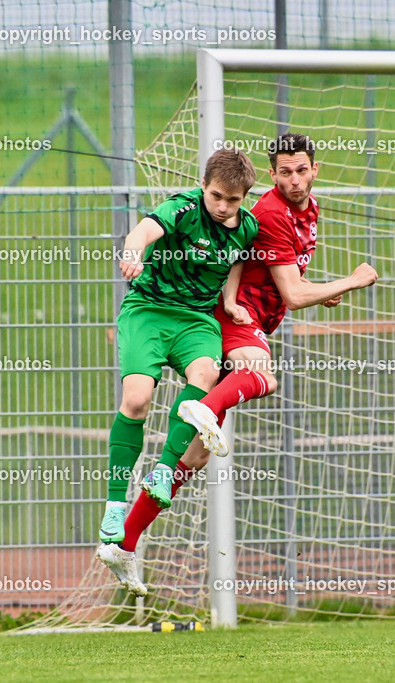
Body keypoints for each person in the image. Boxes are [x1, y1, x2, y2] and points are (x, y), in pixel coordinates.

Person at [106, 133, 378, 593]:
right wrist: (349, 282)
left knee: (196, 455)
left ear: (315, 169)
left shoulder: (302, 212)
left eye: (302, 169)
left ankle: (123, 544)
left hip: (246, 313)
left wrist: (316, 289)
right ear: (272, 175)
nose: (294, 179)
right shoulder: (267, 212)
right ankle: (202, 410)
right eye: (285, 171)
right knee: (260, 376)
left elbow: (259, 265)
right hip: (237, 322)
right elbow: (293, 294)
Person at [95, 149, 259, 596]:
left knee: (205, 378)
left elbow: (237, 258)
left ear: (244, 197)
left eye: (233, 199)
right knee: (137, 400)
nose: (223, 206)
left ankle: (164, 472)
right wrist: (132, 254)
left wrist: (228, 300)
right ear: (203, 186)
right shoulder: (183, 208)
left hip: (196, 320)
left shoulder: (246, 226)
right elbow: (144, 231)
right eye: (216, 196)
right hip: (148, 310)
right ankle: (114, 505)